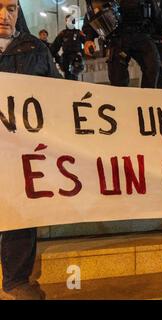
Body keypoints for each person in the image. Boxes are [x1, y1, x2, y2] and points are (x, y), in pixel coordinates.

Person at [0, 0, 61, 300]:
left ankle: (16, 279)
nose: (4, 15)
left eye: (11, 8)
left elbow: (61, 95)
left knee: (21, 210)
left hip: (18, 148)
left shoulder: (36, 50)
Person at [83, 0, 162, 88]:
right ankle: (121, 99)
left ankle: (148, 96)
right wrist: (88, 39)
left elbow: (158, 15)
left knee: (153, 65)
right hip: (118, 38)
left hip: (141, 35)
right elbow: (92, 17)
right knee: (117, 75)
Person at [51, 15, 86, 80]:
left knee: (74, 77)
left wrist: (82, 54)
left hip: (76, 58)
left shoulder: (78, 33)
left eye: (72, 20)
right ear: (66, 21)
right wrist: (57, 58)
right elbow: (54, 47)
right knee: (67, 77)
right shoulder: (63, 33)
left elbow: (87, 44)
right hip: (66, 59)